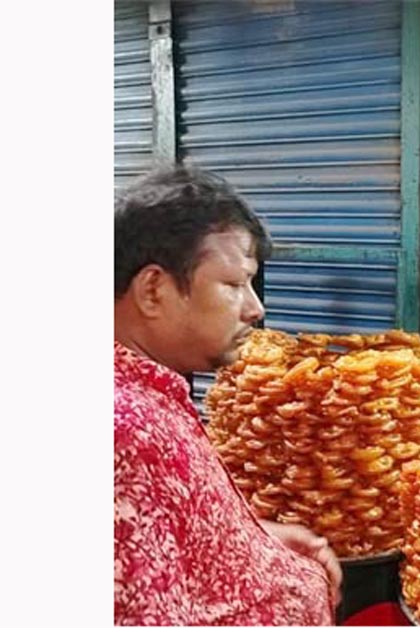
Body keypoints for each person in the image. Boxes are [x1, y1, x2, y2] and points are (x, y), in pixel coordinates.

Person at [114, 165, 342, 625]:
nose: (257, 309)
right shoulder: (126, 432)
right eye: (235, 285)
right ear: (153, 290)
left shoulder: (153, 393)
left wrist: (252, 539)